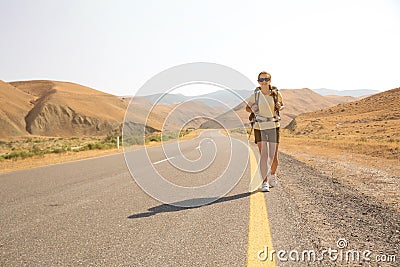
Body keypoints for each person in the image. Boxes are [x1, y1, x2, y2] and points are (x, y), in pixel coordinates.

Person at [246, 71, 284, 192]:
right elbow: (247, 108)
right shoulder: (255, 95)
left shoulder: (276, 94)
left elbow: (282, 105)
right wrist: (252, 108)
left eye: (266, 79)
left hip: (273, 126)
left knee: (273, 157)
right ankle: (265, 182)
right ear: (258, 81)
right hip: (259, 127)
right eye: (261, 80)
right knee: (264, 155)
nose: (263, 82)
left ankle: (273, 175)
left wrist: (279, 106)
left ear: (270, 80)